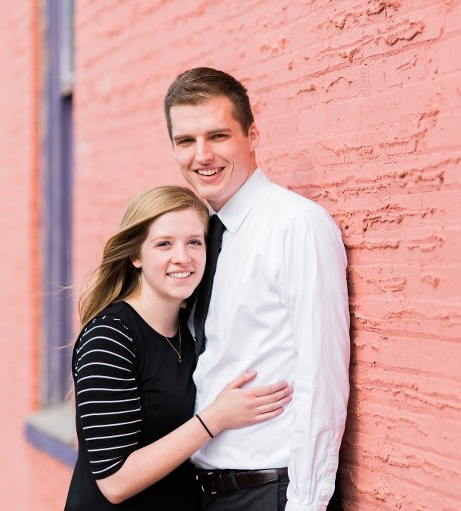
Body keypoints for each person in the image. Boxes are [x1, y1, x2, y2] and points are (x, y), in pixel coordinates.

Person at [164, 68, 350, 511]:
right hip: (206, 493)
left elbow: (322, 375)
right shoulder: (201, 239)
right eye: (186, 141)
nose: (202, 155)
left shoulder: (296, 225)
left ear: (252, 135)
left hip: (271, 493)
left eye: (218, 136)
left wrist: (306, 504)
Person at [64, 186, 293, 510]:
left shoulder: (190, 330)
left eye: (194, 242)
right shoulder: (110, 338)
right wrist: (217, 417)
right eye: (164, 244)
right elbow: (114, 481)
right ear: (135, 255)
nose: (182, 257)